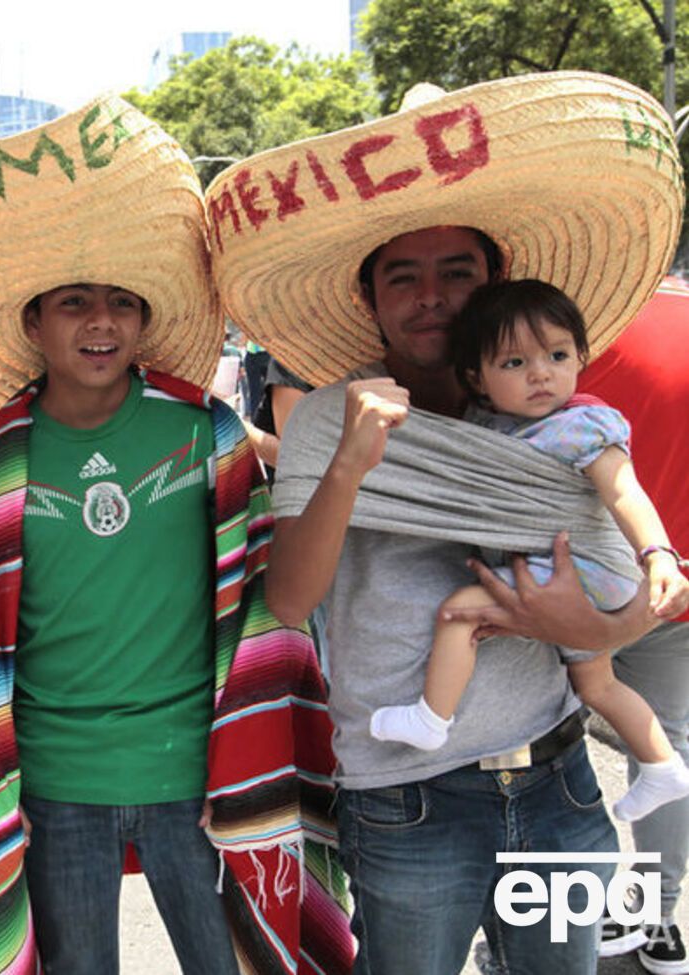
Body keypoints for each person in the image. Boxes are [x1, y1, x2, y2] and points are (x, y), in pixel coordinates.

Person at [205, 72, 683, 973]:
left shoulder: (545, 418)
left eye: (455, 272)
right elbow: (290, 595)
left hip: (556, 781)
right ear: (370, 298)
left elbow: (638, 574)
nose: (431, 296)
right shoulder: (321, 422)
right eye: (403, 276)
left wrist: (586, 626)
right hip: (404, 801)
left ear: (493, 281)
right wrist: (349, 463)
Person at [0, 95, 349, 975]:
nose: (100, 321)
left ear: (144, 321)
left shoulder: (202, 433)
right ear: (36, 323)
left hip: (199, 768)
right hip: (58, 780)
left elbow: (264, 594)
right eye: (74, 302)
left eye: (120, 303)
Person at [367, 280, 689, 824]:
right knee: (598, 683)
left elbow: (624, 491)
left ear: (581, 358)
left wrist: (658, 554)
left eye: (558, 356)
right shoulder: (494, 427)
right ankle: (662, 766)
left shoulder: (580, 425)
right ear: (477, 377)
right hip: (581, 573)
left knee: (459, 611)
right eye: (515, 362)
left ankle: (432, 715)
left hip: (586, 570)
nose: (541, 373)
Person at [580, 276, 689, 972]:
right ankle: (656, 917)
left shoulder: (564, 328)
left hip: (576, 586)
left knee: (541, 753)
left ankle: (554, 922)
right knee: (667, 745)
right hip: (674, 583)